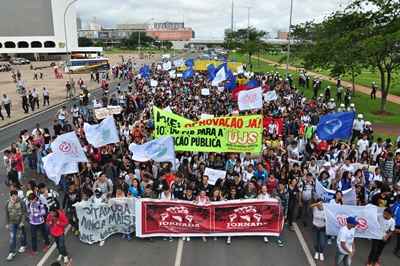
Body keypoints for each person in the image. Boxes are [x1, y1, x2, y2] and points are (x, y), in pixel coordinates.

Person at [5, 190, 27, 261]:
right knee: (12, 237)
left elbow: (24, 212)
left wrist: (22, 222)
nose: (14, 197)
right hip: (12, 223)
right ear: (10, 196)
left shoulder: (21, 202)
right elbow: (7, 213)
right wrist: (7, 223)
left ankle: (23, 245)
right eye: (12, 196)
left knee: (22, 235)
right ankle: (12, 252)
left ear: (17, 195)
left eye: (15, 196)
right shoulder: (8, 202)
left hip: (20, 222)